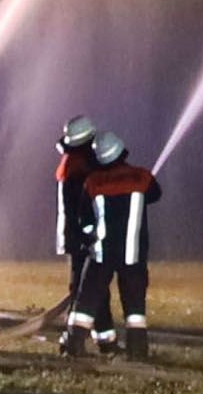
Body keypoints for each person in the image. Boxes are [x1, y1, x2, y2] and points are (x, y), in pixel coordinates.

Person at [63, 130, 163, 359]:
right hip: (133, 254)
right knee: (135, 305)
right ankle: (137, 351)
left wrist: (89, 238)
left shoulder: (93, 181)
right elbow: (156, 195)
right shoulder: (142, 177)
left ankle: (74, 345)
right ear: (121, 151)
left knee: (87, 299)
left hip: (100, 254)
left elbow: (84, 219)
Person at [52, 114, 98, 336]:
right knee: (82, 283)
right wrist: (88, 234)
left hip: (71, 233)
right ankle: (74, 329)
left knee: (80, 281)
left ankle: (77, 323)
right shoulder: (80, 166)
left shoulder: (71, 159)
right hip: (79, 234)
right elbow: (83, 205)